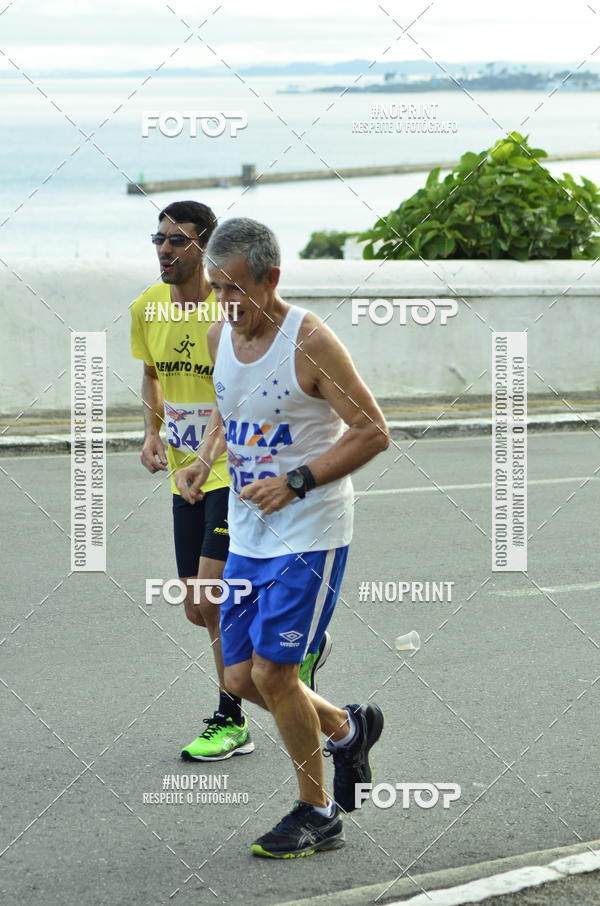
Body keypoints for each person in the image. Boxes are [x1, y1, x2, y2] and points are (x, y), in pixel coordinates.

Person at [175, 217, 390, 857]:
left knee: (275, 671)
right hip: (248, 532)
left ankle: (317, 810)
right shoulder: (220, 334)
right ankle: (348, 729)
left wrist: (297, 480)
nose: (226, 303)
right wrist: (205, 456)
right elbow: (231, 404)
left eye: (236, 289)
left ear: (271, 278)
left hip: (310, 531)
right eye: (216, 288)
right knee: (240, 677)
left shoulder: (311, 343)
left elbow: (372, 430)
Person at [130, 202, 331, 763]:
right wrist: (151, 432)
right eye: (158, 240)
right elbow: (152, 377)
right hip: (186, 470)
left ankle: (232, 715)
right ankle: (294, 665)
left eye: (178, 241)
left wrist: (291, 474)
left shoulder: (232, 316)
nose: (165, 250)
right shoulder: (147, 309)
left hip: (232, 474)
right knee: (198, 607)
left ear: (206, 250)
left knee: (212, 596)